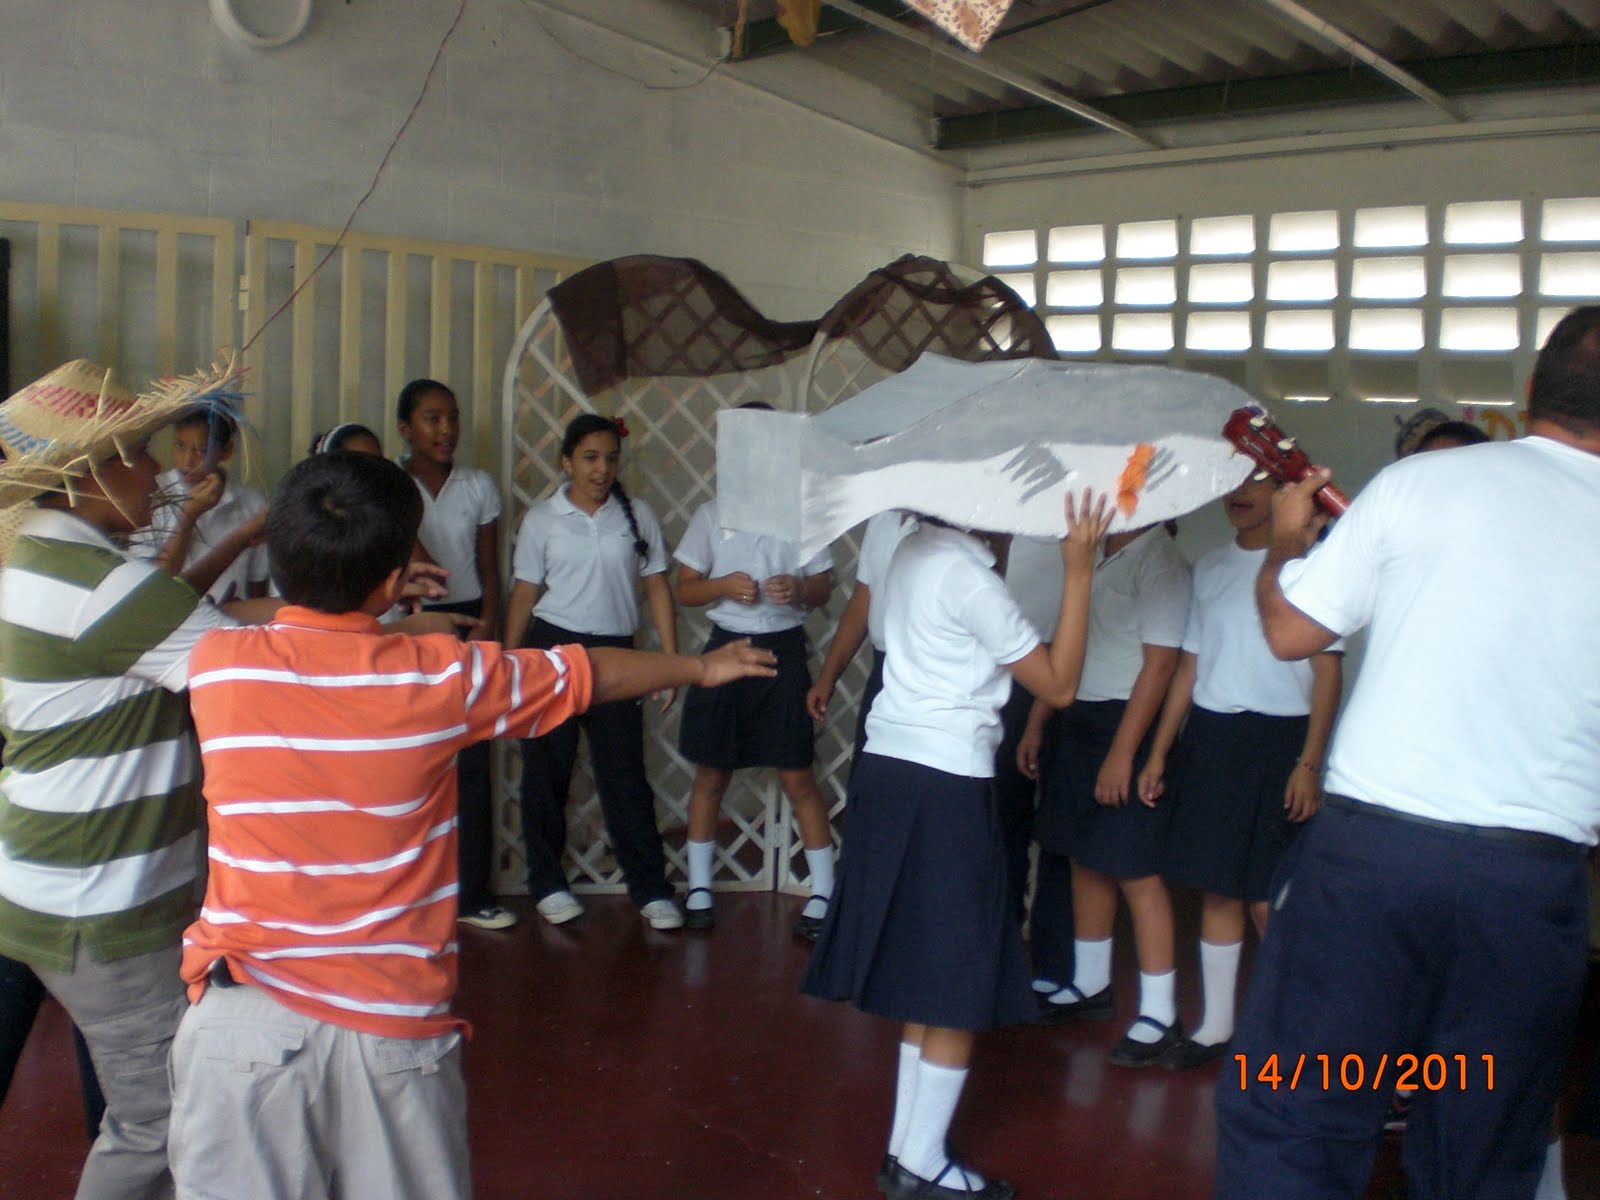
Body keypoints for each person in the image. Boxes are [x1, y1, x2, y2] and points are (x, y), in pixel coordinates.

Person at [167, 451, 776, 1200]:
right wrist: (701, 669)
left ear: (278, 554)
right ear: (393, 577)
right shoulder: (440, 675)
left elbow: (179, 602)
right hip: (388, 1030)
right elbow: (587, 672)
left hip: (241, 1024)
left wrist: (349, 589)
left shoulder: (219, 663)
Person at [1217, 305, 1600, 1200]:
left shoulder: (1420, 484)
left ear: (1531, 390)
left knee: (1299, 1110)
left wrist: (1283, 549)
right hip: (1528, 885)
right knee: (1480, 1132)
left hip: (1371, 867)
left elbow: (1291, 632)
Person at [0, 360, 276, 1199]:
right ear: (89, 474)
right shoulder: (100, 586)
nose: (158, 472)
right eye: (140, 454)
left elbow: (163, 619)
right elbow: (246, 670)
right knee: (159, 1120)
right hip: (100, 901)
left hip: (46, 877)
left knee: (140, 1104)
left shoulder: (38, 558)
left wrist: (236, 550)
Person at [803, 492, 1112, 1200]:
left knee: (928, 971)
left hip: (892, 770)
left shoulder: (914, 550)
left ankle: (908, 1150)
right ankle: (918, 1164)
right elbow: (1060, 685)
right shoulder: (969, 578)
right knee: (955, 978)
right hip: (945, 783)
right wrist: (1079, 571)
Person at [1135, 477, 1341, 1071]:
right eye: (1234, 484)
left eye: (1259, 483)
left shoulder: (1313, 568)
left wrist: (1309, 764)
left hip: (1283, 743)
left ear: (1287, 495)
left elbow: (1327, 674)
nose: (1240, 494)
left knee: (1270, 900)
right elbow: (1189, 669)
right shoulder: (1210, 567)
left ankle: (1293, 1037)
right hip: (1214, 739)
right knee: (1219, 888)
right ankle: (1216, 1027)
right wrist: (1159, 752)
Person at [1018, 522, 1191, 1069]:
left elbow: (1161, 665)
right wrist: (1038, 722)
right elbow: (1070, 645)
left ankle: (1161, 1014)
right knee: (1083, 857)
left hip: (1126, 724)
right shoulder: (1092, 551)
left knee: (1135, 870)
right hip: (1080, 714)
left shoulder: (1160, 559)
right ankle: (1091, 985)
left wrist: (1123, 753)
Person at [504, 413, 685, 931]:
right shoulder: (542, 519)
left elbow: (657, 587)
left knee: (625, 774)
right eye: (589, 457)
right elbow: (525, 593)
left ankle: (650, 888)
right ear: (566, 462)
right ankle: (547, 883)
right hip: (553, 651)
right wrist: (508, 664)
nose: (601, 468)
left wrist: (669, 663)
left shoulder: (637, 515)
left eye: (610, 458)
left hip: (617, 653)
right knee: (547, 772)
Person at [673, 436, 836, 936]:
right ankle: (699, 888)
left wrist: (801, 588)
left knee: (797, 773)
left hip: (784, 649)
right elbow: (685, 588)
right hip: (727, 647)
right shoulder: (711, 514)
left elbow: (825, 586)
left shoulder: (802, 514)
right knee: (711, 771)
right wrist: (723, 586)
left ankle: (824, 890)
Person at [396, 379, 511, 932]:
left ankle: (473, 893)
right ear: (405, 428)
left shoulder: (478, 486)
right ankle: (413, 896)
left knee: (473, 759)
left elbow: (489, 568)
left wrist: (487, 625)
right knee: (413, 759)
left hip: (471, 621)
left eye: (453, 417)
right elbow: (424, 572)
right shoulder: (392, 485)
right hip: (412, 621)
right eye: (432, 418)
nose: (447, 429)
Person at [806, 510, 916, 771]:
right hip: (884, 669)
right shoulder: (882, 519)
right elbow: (861, 603)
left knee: (917, 776)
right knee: (869, 772)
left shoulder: (951, 527)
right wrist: (827, 678)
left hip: (933, 671)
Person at [135, 407, 271, 604]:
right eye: (180, 446)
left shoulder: (253, 503)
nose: (187, 461)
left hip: (227, 618)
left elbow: (258, 583)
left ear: (226, 451)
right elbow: (151, 583)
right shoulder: (154, 493)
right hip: (168, 617)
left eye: (202, 451)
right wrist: (189, 515)